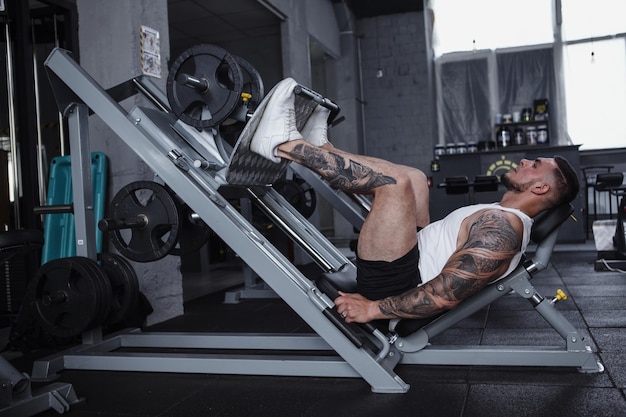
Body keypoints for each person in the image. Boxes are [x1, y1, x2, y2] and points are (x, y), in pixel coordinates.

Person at [250, 78, 580, 324]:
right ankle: (320, 148)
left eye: (535, 166)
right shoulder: (503, 214)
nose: (525, 162)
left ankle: (282, 145)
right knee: (417, 180)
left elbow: (444, 294)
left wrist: (372, 309)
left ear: (539, 190)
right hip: (414, 257)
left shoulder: (503, 231)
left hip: (396, 282)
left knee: (395, 184)